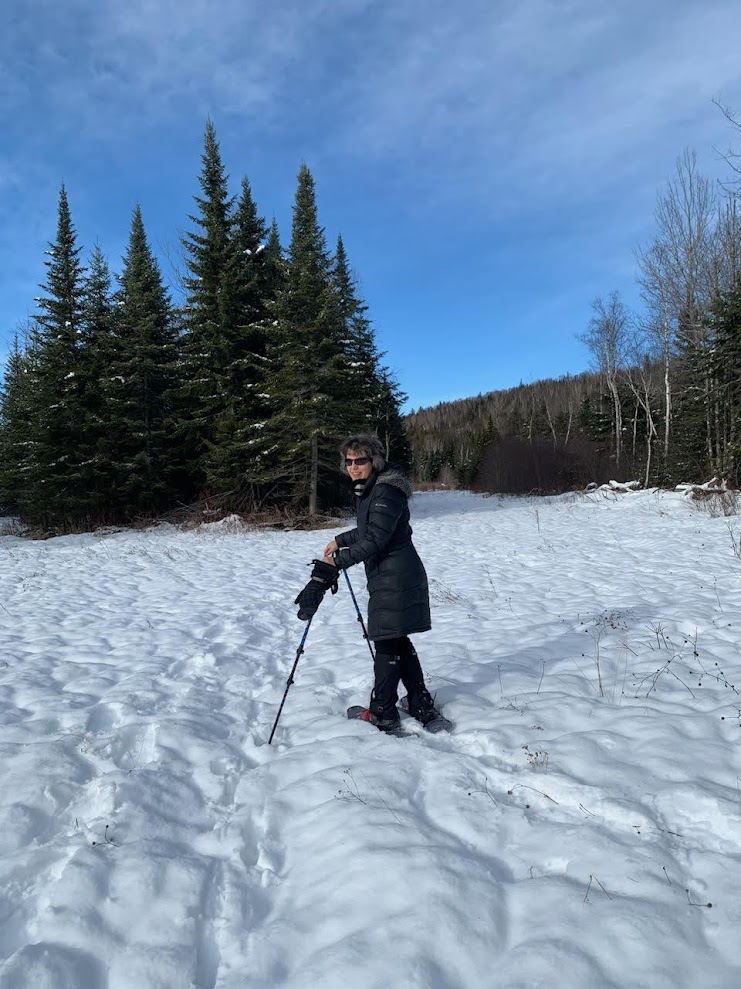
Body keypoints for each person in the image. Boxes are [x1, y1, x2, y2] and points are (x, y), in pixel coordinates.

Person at [294, 432, 442, 734]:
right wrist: (340, 539)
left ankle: (383, 712)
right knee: (397, 638)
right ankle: (419, 703)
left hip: (396, 576)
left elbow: (375, 540)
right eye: (348, 462)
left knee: (387, 641)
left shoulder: (386, 492)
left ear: (373, 461)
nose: (353, 467)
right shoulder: (374, 489)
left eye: (359, 460)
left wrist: (336, 561)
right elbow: (369, 529)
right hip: (391, 574)